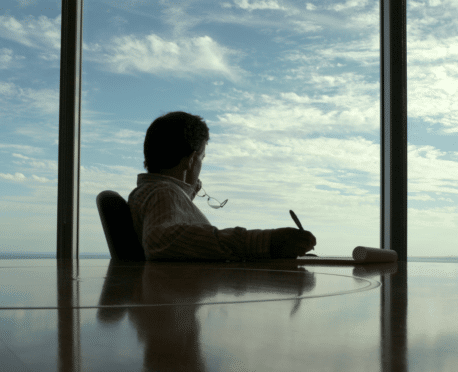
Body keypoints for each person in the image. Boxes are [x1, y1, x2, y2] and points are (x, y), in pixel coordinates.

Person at [128, 111, 316, 261]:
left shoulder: (152, 194)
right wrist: (267, 242)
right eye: (201, 158)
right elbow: (160, 240)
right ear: (191, 160)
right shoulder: (164, 193)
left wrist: (188, 192)